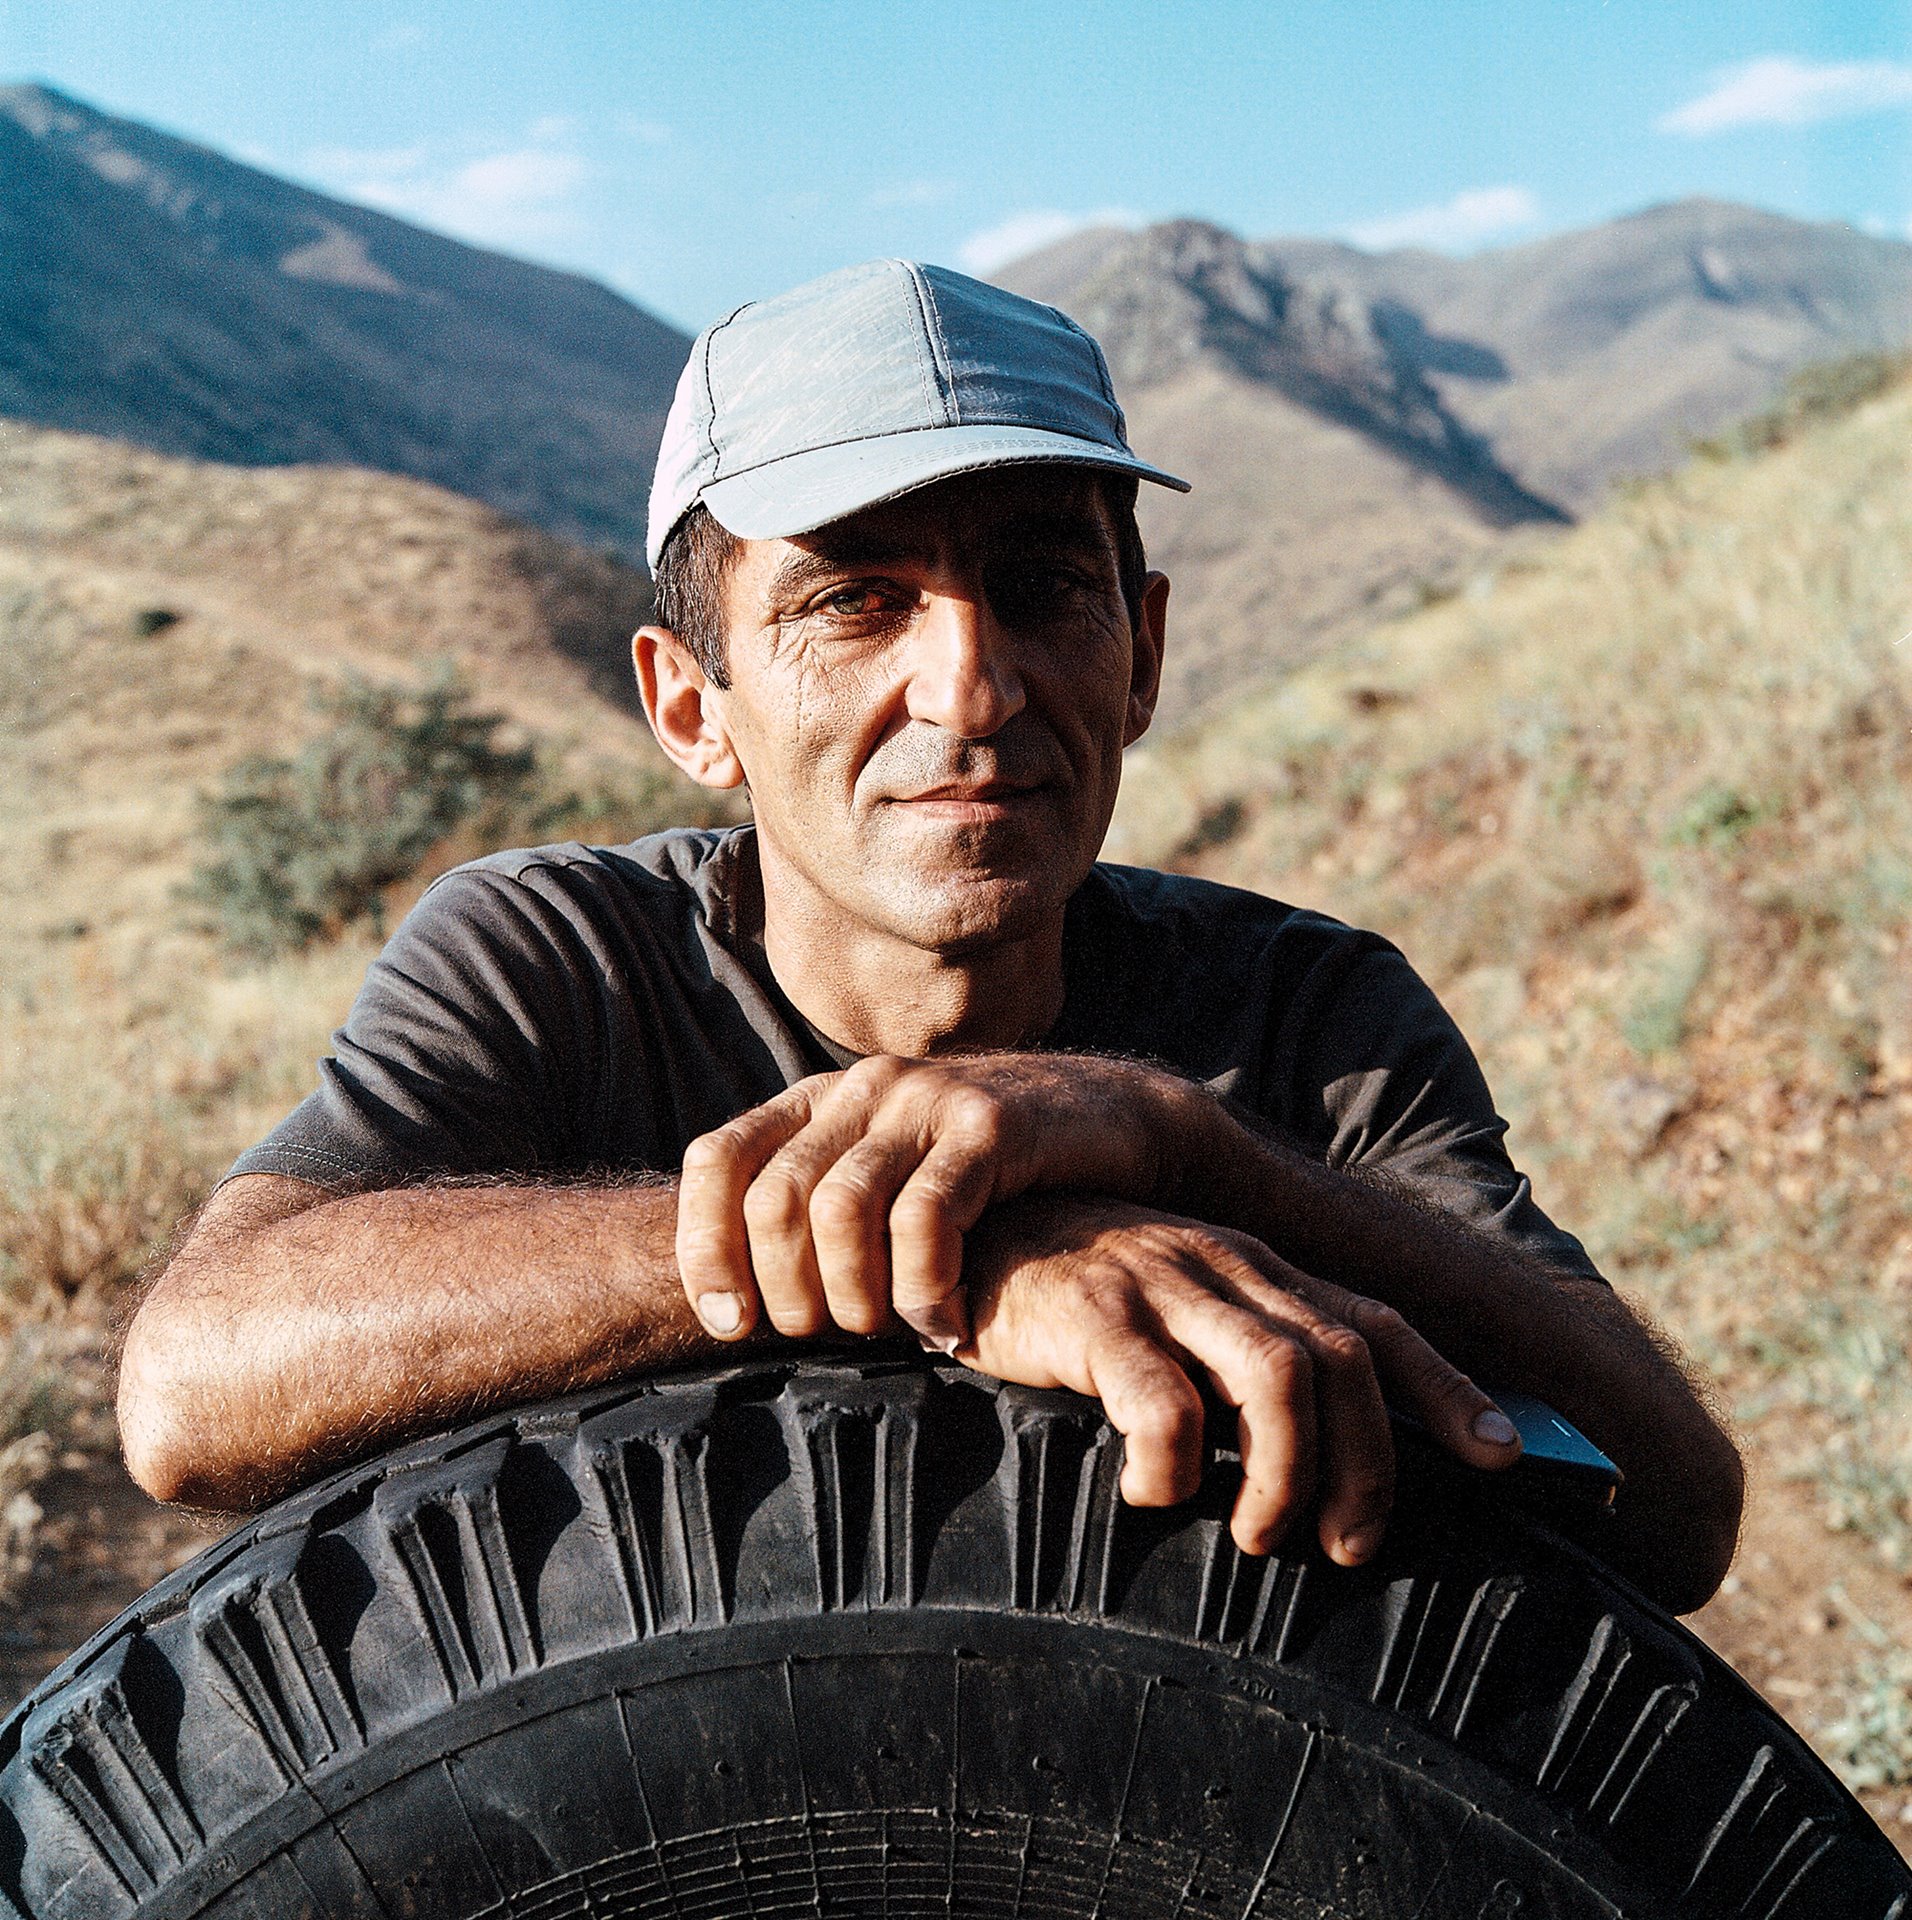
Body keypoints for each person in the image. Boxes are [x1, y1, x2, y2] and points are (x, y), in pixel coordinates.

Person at [118, 260, 1742, 1611]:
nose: (973, 689)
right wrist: (957, 1256)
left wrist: (1186, 1148)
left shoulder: (1305, 1009)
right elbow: (195, 1388)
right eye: (855, 601)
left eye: (1045, 587)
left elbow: (1676, 1518)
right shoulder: (562, 956)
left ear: (1145, 653)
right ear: (696, 708)